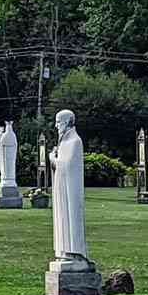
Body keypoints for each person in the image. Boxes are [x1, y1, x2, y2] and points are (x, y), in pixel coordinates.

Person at [49, 108, 88, 260]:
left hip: (70, 189)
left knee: (70, 218)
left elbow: (66, 165)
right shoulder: (64, 142)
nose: (56, 126)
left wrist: (53, 158)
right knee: (61, 218)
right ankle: (63, 250)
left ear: (66, 122)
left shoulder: (75, 142)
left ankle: (73, 251)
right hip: (61, 187)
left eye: (58, 122)